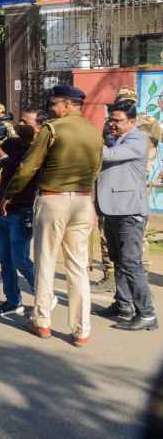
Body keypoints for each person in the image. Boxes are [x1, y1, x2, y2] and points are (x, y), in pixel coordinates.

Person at [6, 84, 102, 346]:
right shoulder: (94, 132)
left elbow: (28, 167)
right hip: (83, 201)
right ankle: (81, 330)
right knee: (78, 267)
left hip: (53, 200)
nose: (51, 109)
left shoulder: (52, 129)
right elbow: (96, 169)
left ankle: (43, 322)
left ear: (67, 105)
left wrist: (10, 194)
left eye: (53, 104)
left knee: (46, 262)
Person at [95, 99, 158, 331]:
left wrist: (87, 140)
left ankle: (147, 313)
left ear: (132, 121)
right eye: (111, 119)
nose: (112, 124)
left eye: (118, 120)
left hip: (130, 211)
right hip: (114, 208)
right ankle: (123, 304)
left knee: (131, 263)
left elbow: (109, 155)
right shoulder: (117, 137)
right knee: (119, 260)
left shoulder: (138, 140)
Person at [0, 108, 46, 316]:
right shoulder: (11, 143)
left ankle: (44, 297)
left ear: (38, 127)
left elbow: (17, 170)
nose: (19, 124)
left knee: (21, 259)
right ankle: (12, 300)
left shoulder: (39, 149)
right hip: (3, 211)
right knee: (5, 260)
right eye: (19, 120)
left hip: (22, 211)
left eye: (25, 122)